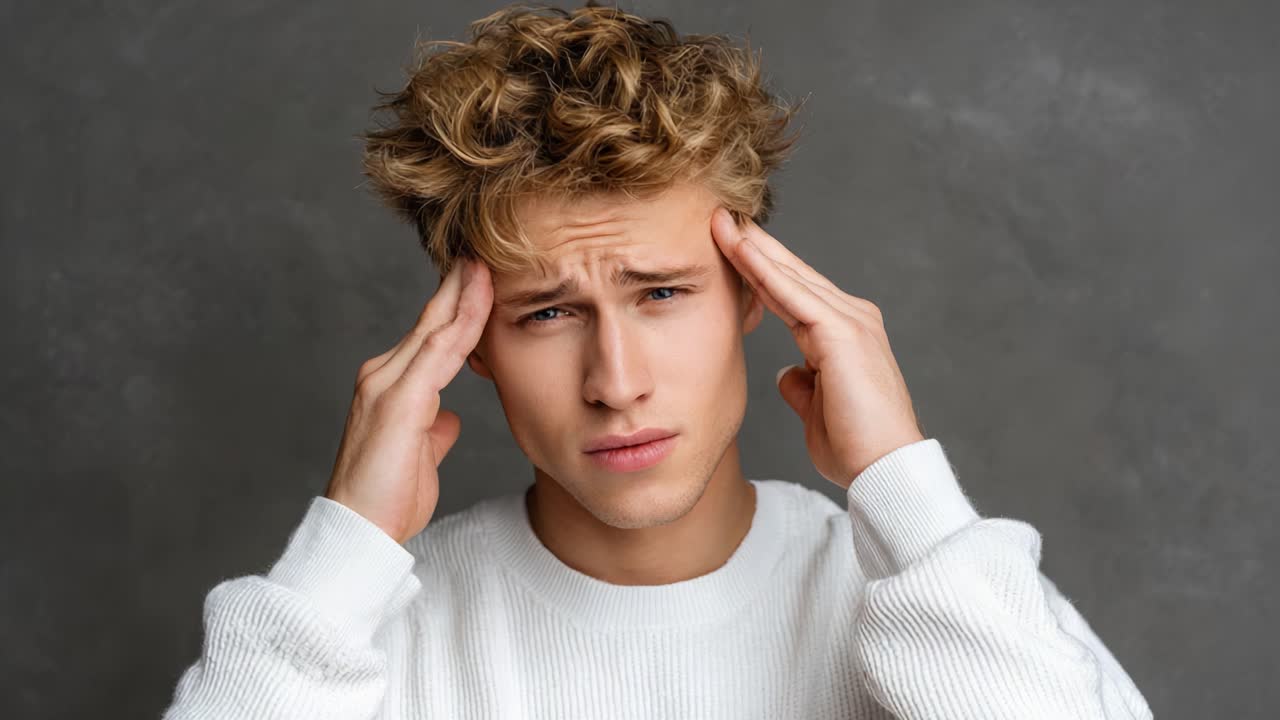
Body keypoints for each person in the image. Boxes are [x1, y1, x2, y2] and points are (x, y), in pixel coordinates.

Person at [162, 3, 1153, 718]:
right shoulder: (362, 639)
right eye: (546, 313)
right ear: (468, 346)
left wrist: (903, 485)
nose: (616, 381)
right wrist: (340, 553)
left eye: (661, 293)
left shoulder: (931, 593)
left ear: (755, 294)